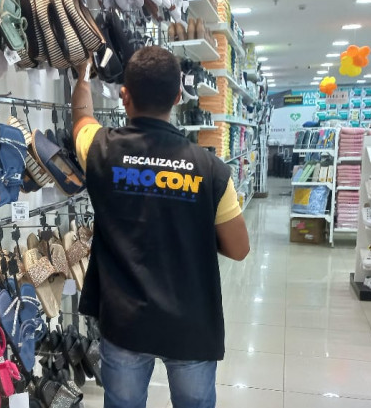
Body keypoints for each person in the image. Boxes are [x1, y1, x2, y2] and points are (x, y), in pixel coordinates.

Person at [71, 46, 251, 408]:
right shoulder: (210, 169)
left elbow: (81, 117)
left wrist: (82, 76)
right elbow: (238, 248)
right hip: (190, 321)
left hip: (125, 320)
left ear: (124, 96)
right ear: (178, 96)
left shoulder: (100, 149)